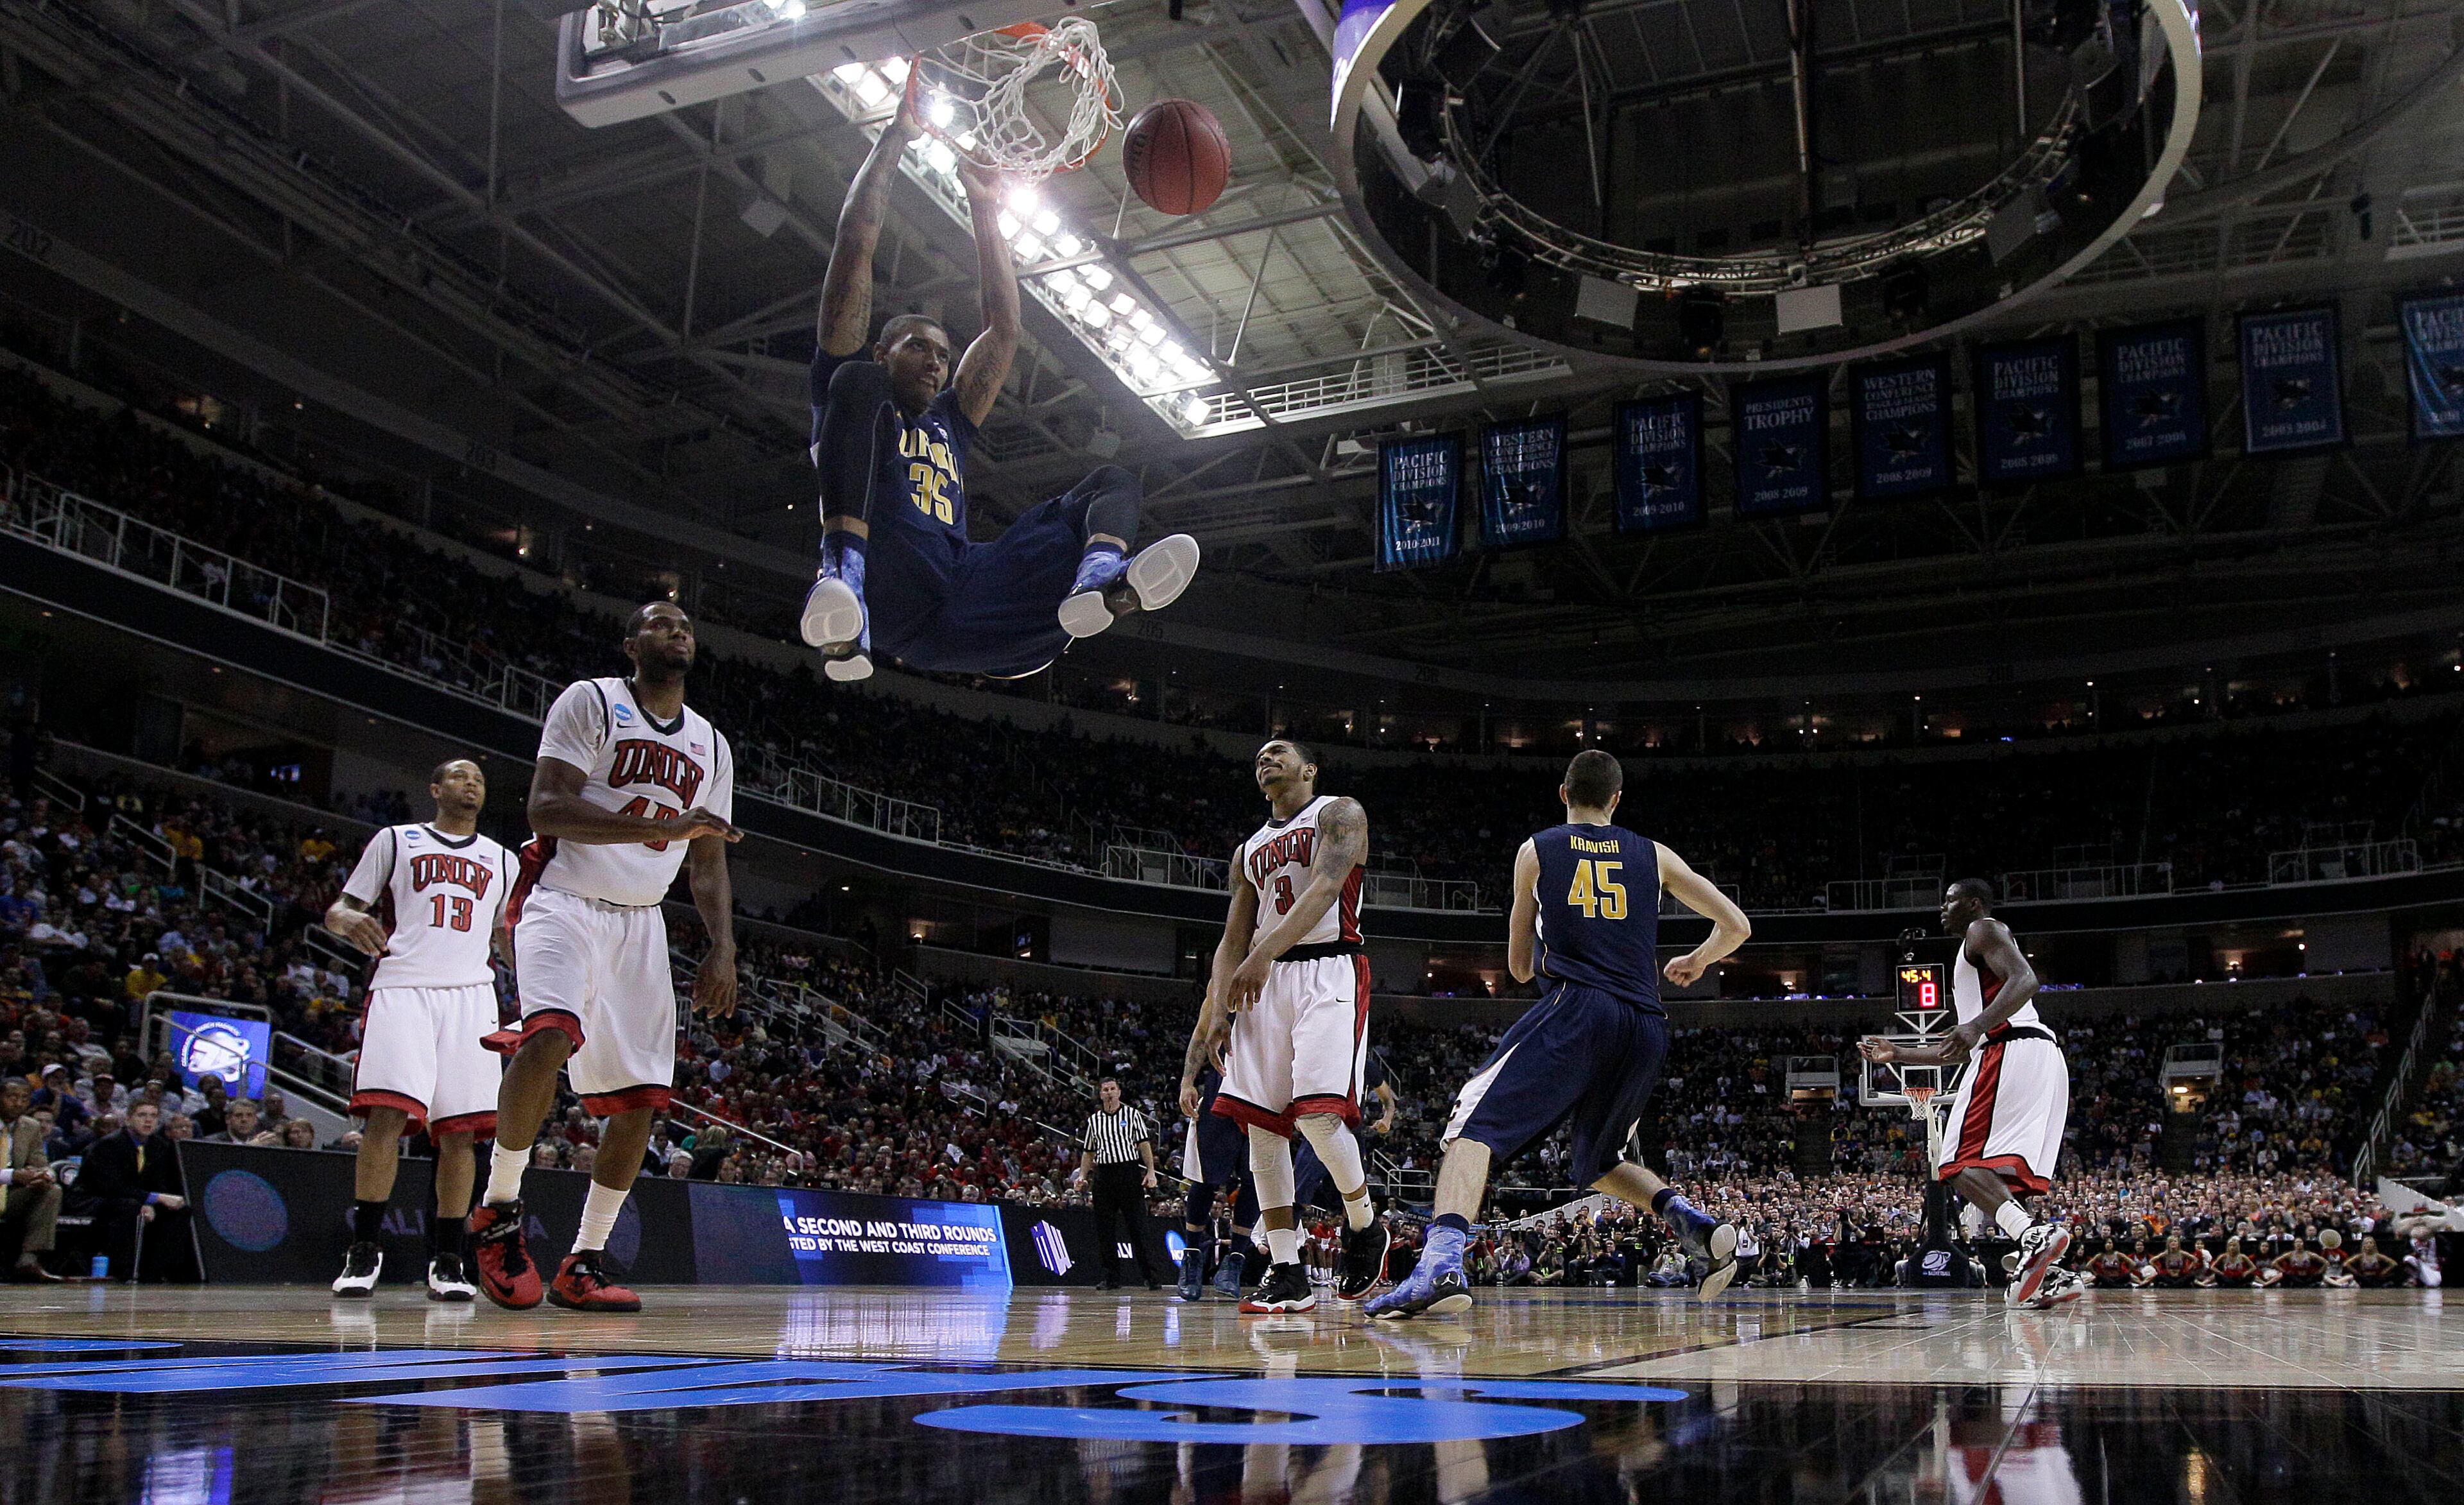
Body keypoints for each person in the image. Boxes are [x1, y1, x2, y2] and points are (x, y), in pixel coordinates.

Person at [798, 81, 1199, 683]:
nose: (936, 362)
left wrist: (985, 208)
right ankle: (843, 571)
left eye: (943, 353)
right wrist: (894, 138)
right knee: (853, 381)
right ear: (885, 351)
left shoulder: (948, 424)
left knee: (1111, 483)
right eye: (918, 348)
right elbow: (855, 244)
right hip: (892, 595)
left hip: (973, 599)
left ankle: (1101, 579)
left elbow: (1005, 330)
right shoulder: (855, 388)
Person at [1367, 750, 1751, 1321]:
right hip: (1646, 1022)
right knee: (1597, 1160)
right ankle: (1694, 1225)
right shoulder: (1655, 854)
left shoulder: (1537, 849)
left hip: (1580, 1006)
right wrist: (1696, 960)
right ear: (1617, 799)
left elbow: (1520, 968)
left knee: (1471, 1127)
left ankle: (1440, 1264)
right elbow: (1738, 926)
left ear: (1563, 792)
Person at [468, 603, 742, 1315]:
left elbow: (707, 858)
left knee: (641, 1101)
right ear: (631, 644)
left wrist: (723, 945)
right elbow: (547, 807)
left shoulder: (712, 744)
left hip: (641, 922)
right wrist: (663, 824)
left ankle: (583, 1260)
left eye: (686, 624)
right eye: (660, 624)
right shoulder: (591, 700)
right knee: (549, 1037)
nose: (678, 631)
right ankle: (498, 1209)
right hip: (562, 894)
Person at [1179, 740, 1386, 1314]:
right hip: (1260, 981)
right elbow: (1230, 940)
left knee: (1319, 1115)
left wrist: (1264, 953)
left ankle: (1365, 1227)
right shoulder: (1248, 849)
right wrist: (1217, 1008)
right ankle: (1286, 1269)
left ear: (1310, 768)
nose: (1264, 758)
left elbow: (1324, 888)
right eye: (1259, 756)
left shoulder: (1339, 811)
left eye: (1278, 752)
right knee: (1263, 1132)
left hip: (1328, 968)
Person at [325, 757, 515, 1302]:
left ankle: (449, 1258)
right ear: (435, 788)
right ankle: (364, 1250)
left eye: (479, 777)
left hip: (471, 995)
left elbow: (505, 934)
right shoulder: (397, 839)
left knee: (460, 1133)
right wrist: (347, 921)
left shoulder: (503, 860)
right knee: (386, 1117)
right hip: (404, 986)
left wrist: (533, 976)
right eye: (459, 776)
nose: (471, 783)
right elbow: (341, 908)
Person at [1860, 880, 2078, 1309]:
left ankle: (2034, 1235)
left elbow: (2027, 979)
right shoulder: (1974, 963)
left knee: (1956, 1163)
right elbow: (1957, 1046)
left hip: (2008, 1047)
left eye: (1949, 899)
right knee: (1998, 1174)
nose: (1942, 908)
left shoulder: (1983, 929)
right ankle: (2050, 1272)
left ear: (1973, 903)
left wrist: (1978, 1025)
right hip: (2031, 1052)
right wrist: (1898, 1051)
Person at [66, 1100, 192, 1282]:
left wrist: (153, 1201)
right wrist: (150, 1199)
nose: (148, 1121)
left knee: (180, 1211)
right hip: (93, 1199)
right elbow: (111, 1186)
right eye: (142, 1115)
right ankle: (123, 1272)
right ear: (128, 1120)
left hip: (132, 1198)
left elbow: (160, 1183)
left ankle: (155, 1273)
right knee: (129, 1207)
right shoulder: (109, 1145)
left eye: (153, 1116)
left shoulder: (160, 1146)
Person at [1075, 1078, 1160, 1291]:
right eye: (1105, 1090)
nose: (1109, 1092)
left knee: (1138, 1226)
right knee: (1105, 1229)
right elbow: (1088, 1151)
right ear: (1101, 1094)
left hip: (1128, 1172)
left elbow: (1144, 1144)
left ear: (1119, 1092)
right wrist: (1082, 1176)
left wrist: (1150, 1171)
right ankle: (1111, 1278)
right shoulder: (1094, 1120)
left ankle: (1151, 1276)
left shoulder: (1132, 1115)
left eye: (1113, 1089)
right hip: (1104, 1174)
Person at [1, 1077, 63, 1281]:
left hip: (11, 1197)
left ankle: (28, 1261)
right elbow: (15, 1176)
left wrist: (45, 1176)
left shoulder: (31, 1126)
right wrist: (13, 1176)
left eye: (24, 1098)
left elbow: (40, 1162)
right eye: (12, 1097)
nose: (18, 1103)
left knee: (52, 1190)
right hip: (8, 1183)